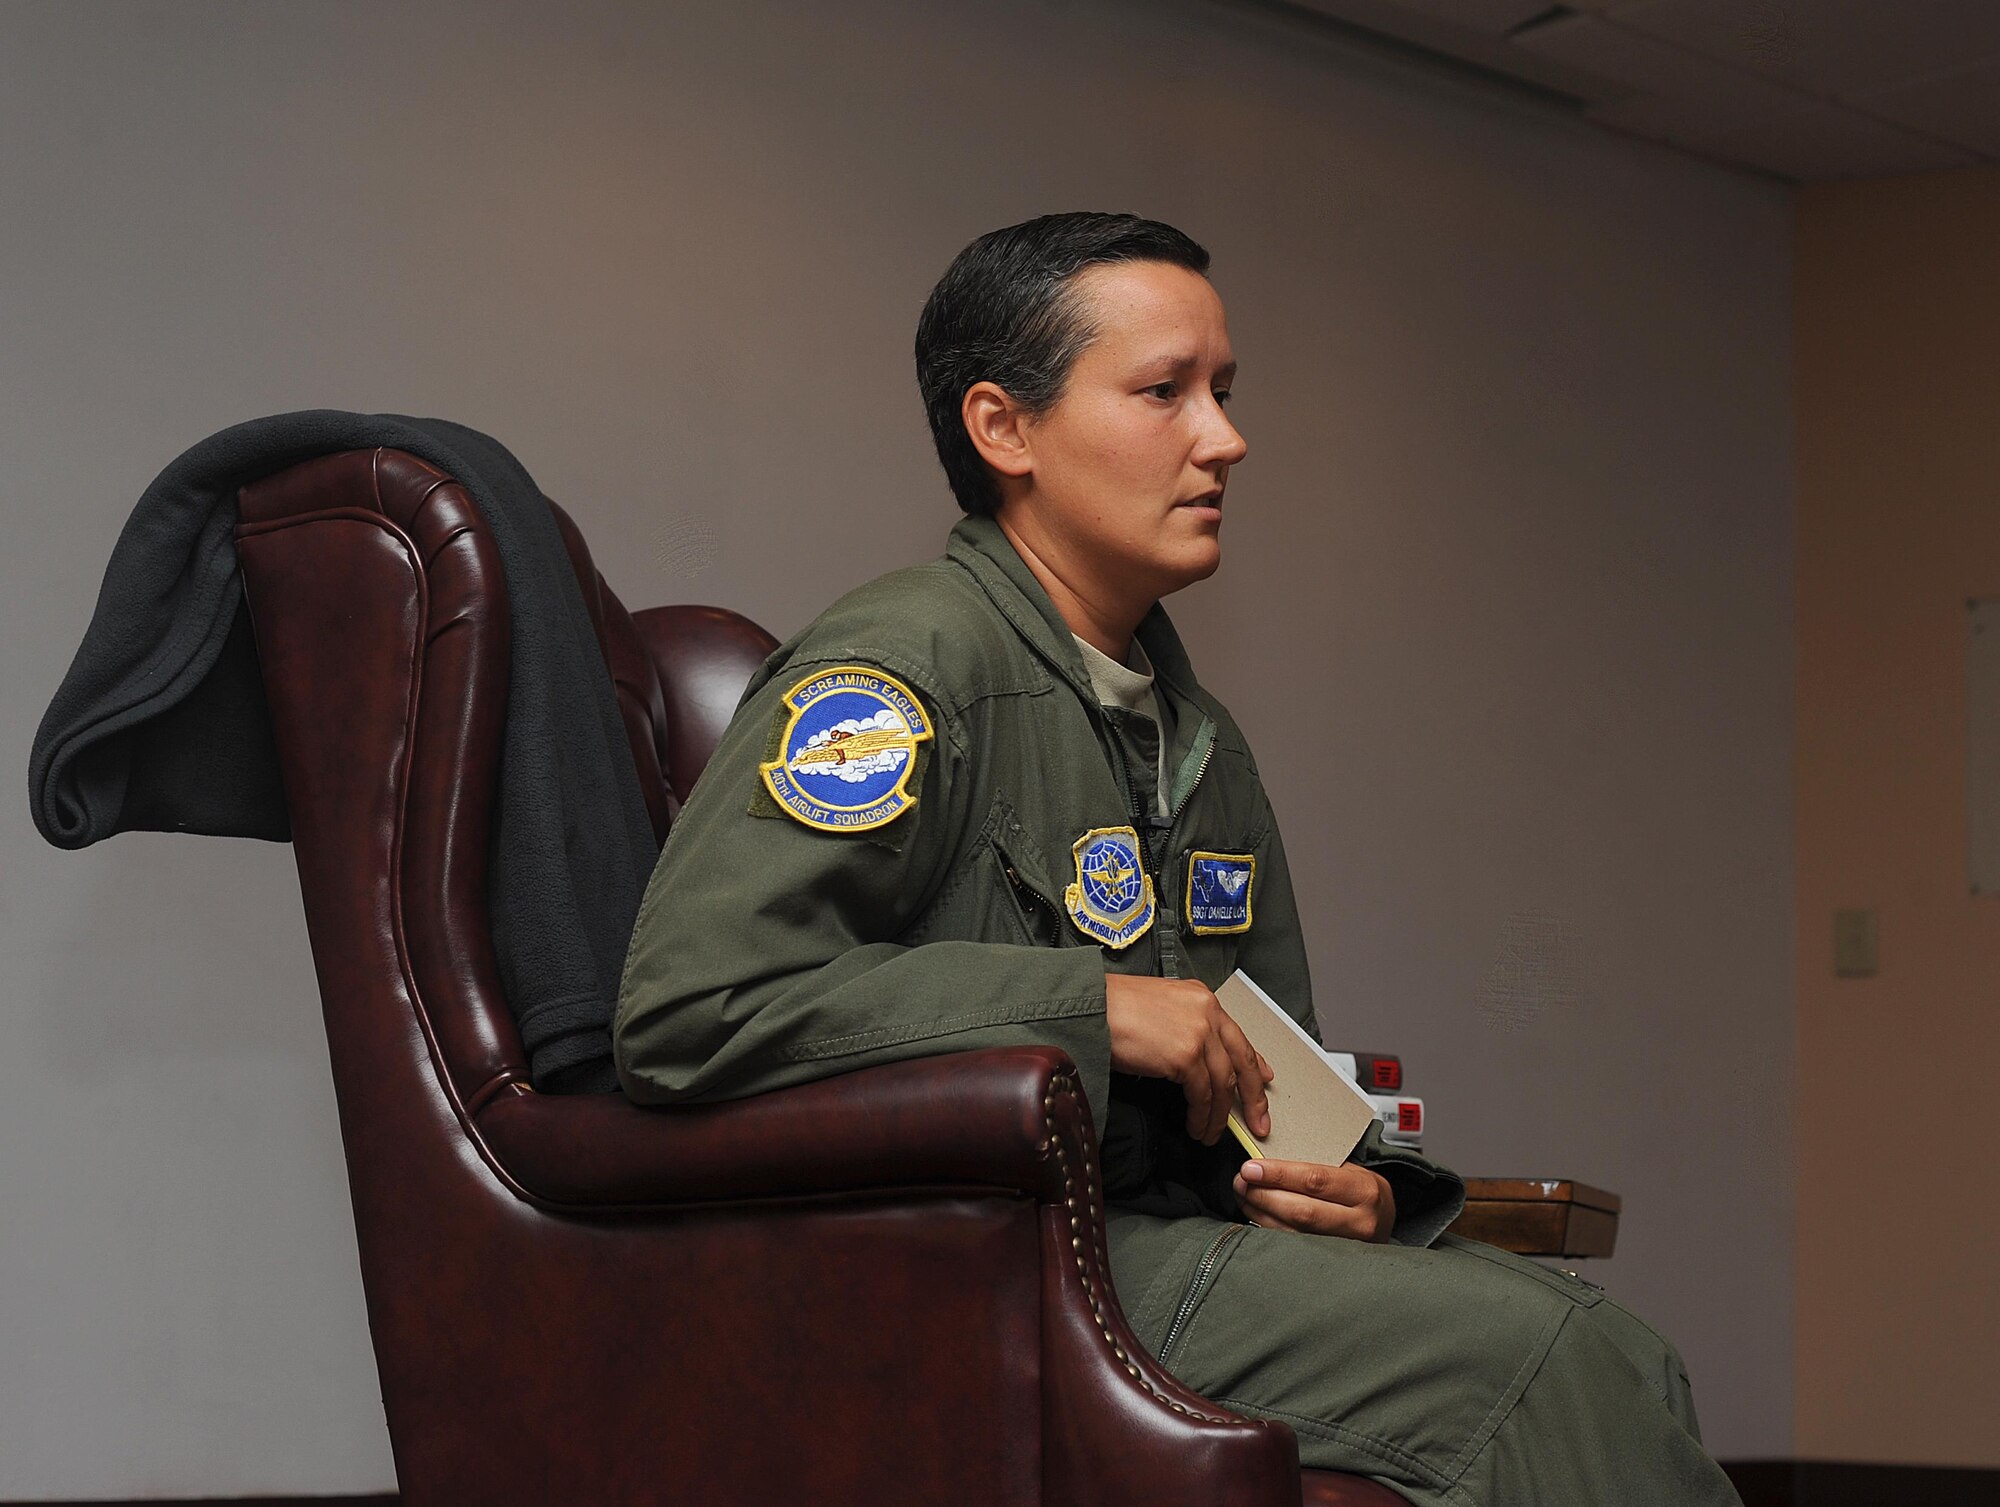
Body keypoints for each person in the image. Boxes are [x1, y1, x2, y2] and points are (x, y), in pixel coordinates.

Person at [614, 212, 1741, 1506]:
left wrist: (1354, 1187)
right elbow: (693, 1005)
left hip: (1160, 1243)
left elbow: (1275, 1070)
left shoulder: (1198, 735)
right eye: (1164, 392)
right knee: (1547, 1361)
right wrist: (1089, 1007)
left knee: (1621, 1354)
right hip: (972, 1257)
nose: (1225, 438)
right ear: (1005, 429)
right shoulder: (902, 664)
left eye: (1224, 391)